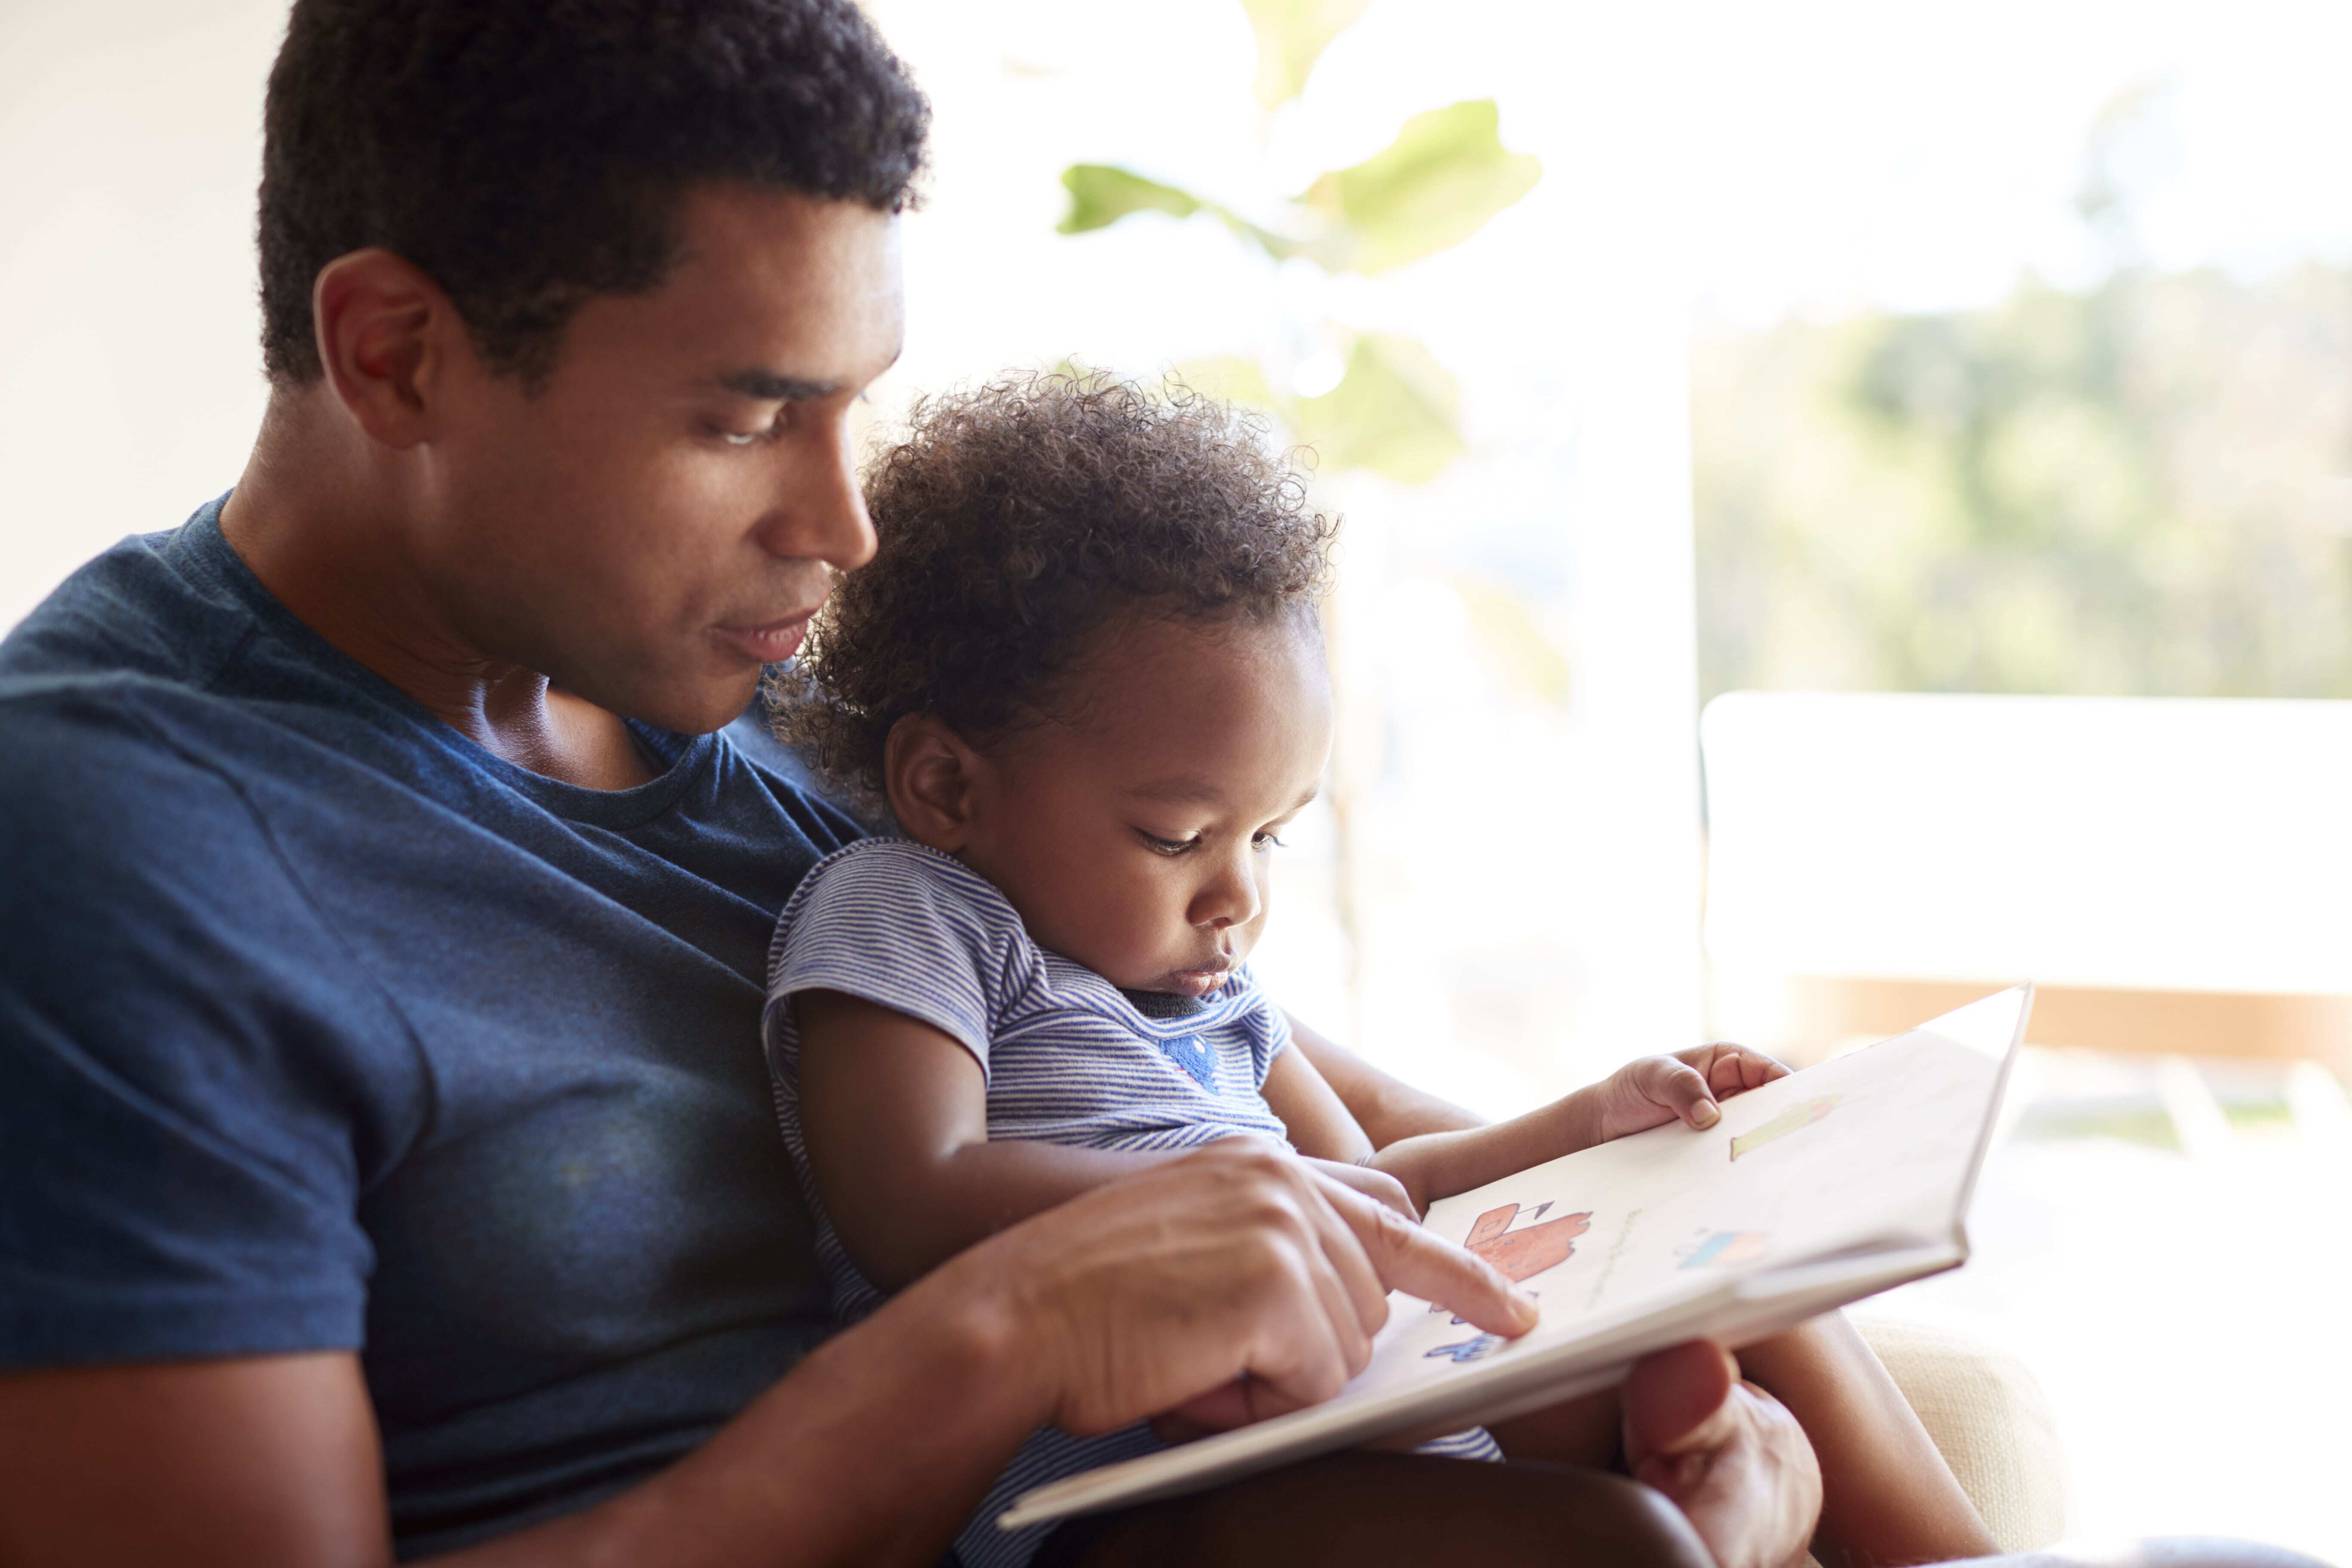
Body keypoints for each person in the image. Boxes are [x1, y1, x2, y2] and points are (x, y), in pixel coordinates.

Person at [0, 4, 2317, 1568]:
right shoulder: (121, 853)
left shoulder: (775, 702)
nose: (846, 524)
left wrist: (1636, 1259)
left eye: (854, 405)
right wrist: (1007, 1325)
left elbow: (1239, 1079)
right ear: (396, 350)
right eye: (739, 419)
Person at [758, 371, 2007, 1568]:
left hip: (1368, 1414)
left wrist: (1595, 1121)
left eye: (1269, 836)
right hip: (1133, 1502)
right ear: (946, 787)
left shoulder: (1222, 997)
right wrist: (1212, 1211)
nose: (1238, 894)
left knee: (1744, 1263)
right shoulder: (910, 911)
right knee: (1630, 1545)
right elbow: (910, 1199)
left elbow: (1382, 1193)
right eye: (1175, 838)